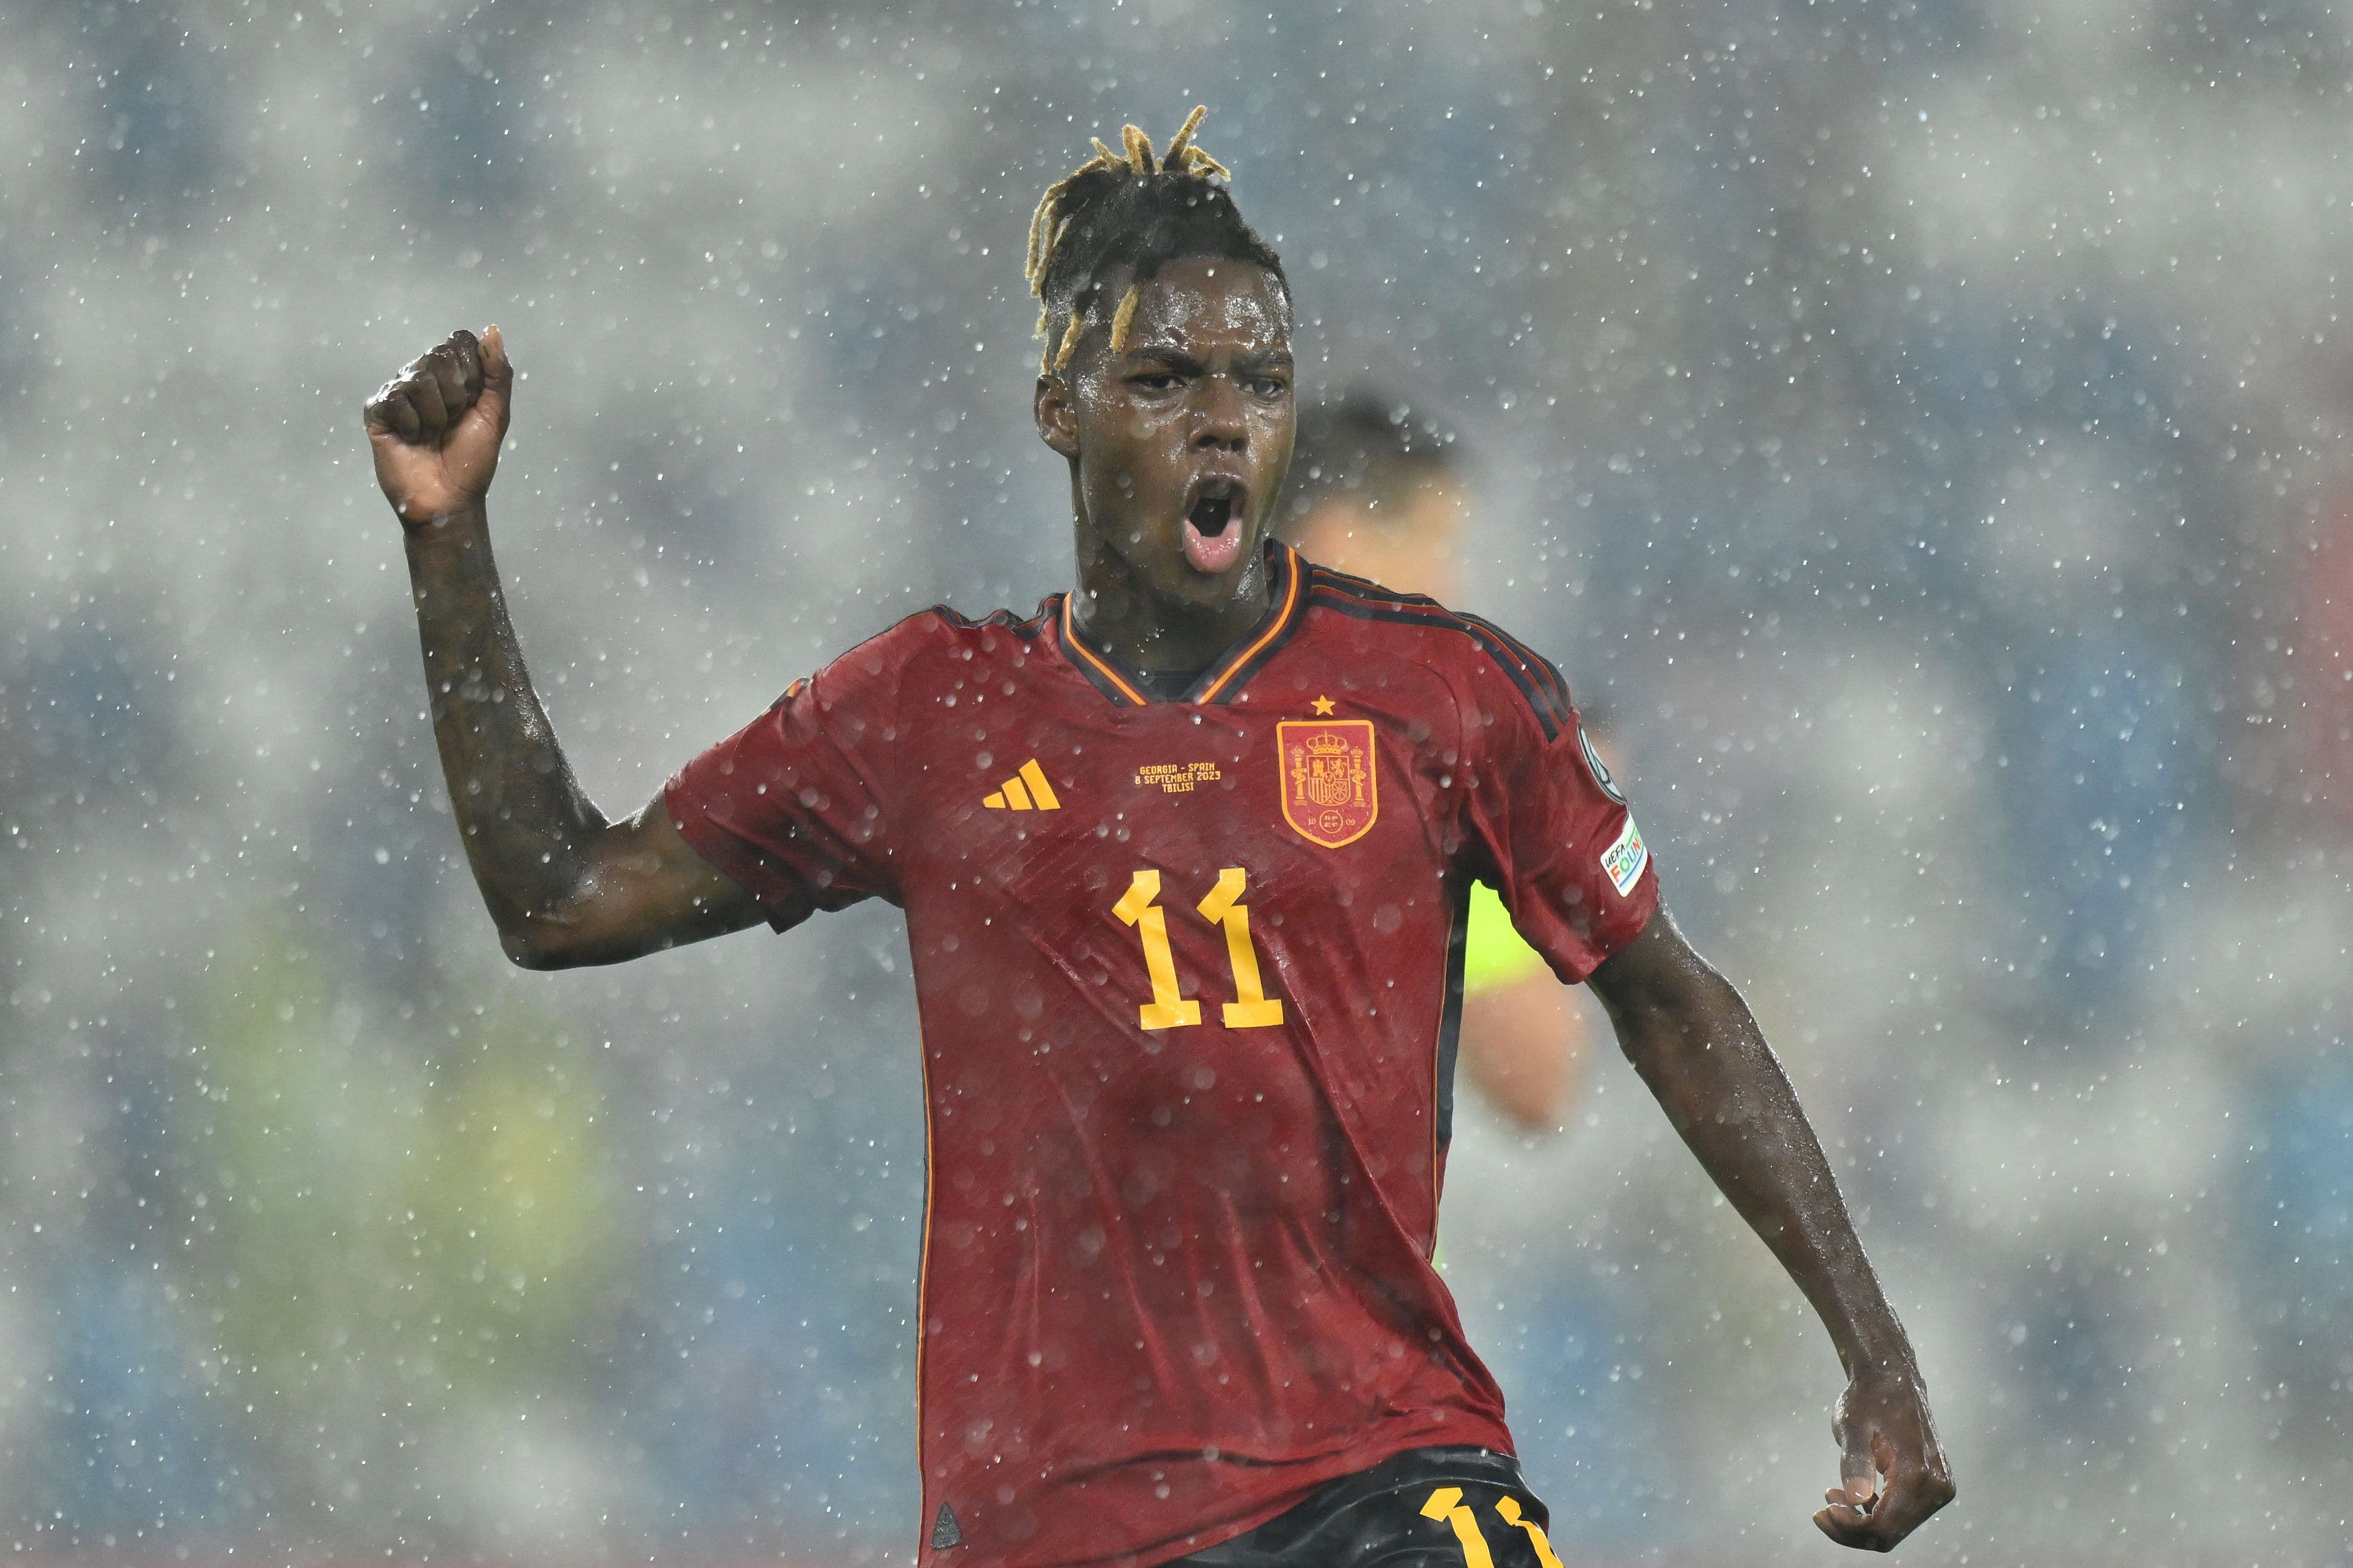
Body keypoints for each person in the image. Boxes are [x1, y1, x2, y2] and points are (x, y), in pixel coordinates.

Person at [361, 108, 1952, 1567]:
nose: (1218, 424)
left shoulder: (1440, 698)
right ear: (1056, 406)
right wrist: (448, 537)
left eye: (1254, 386)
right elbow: (557, 898)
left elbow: (1664, 996)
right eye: (1161, 381)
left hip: (1375, 1478)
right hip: (1050, 1523)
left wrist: (1870, 1350)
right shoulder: (931, 714)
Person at [1284, 396, 1589, 1134]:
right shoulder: (1400, 782)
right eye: (1434, 544)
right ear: (1337, 537)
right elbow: (1536, 1077)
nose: (1451, 591)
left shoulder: (1122, 718)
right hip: (1331, 1245)